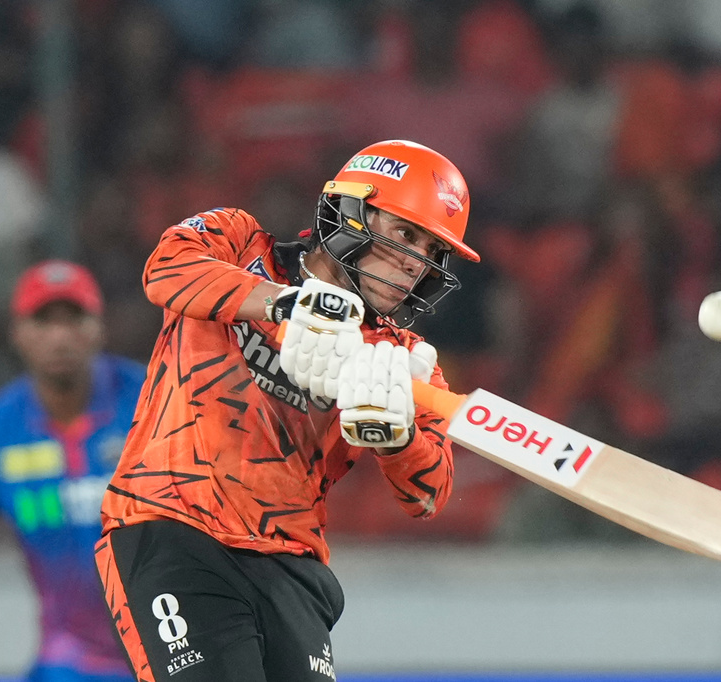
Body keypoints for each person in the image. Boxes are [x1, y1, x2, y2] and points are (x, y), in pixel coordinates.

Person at [94, 139, 480, 681]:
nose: (416, 263)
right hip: (174, 529)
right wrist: (286, 304)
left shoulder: (404, 361)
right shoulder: (236, 240)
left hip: (291, 566)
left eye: (431, 251)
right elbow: (165, 271)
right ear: (351, 213)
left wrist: (396, 440)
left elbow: (427, 494)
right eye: (405, 235)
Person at [0, 261, 146, 682]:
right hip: (69, 661)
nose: (60, 337)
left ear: (99, 328)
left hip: (174, 649)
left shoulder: (158, 402)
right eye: (43, 321)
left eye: (75, 320)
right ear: (17, 334)